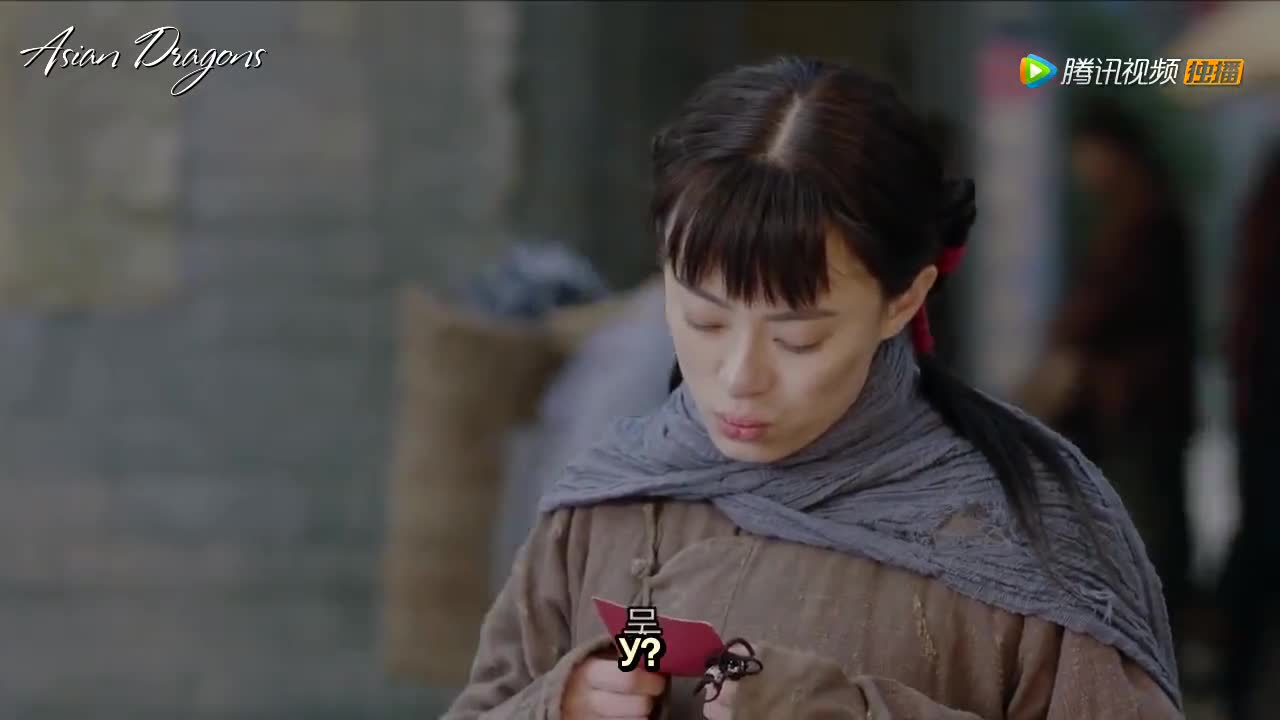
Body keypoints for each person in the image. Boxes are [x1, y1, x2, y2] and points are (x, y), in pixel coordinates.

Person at [444, 58, 1181, 720]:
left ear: (903, 300)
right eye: (703, 321)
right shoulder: (609, 505)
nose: (739, 376)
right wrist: (560, 704)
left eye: (798, 339)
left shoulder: (1021, 539)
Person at [1017, 101, 1197, 648]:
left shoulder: (1145, 219)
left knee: (1143, 530)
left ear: (1112, 151)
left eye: (1087, 152)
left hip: (1137, 405)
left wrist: (1064, 356)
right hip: (1137, 404)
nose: (1081, 166)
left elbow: (1101, 309)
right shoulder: (1138, 213)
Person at [1220, 141, 1280, 720]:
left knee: (1258, 552)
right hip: (1267, 420)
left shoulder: (1260, 243)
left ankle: (1239, 685)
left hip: (1260, 418)